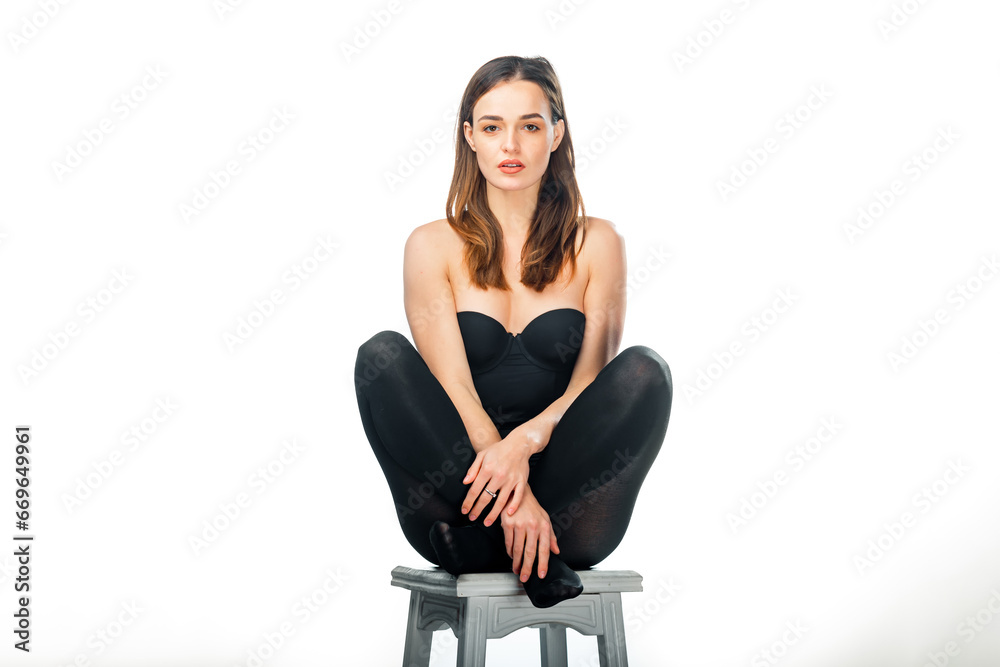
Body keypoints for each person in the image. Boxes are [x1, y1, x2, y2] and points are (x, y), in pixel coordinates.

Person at [354, 55, 672, 609]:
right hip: (457, 496)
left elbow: (588, 386)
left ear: (557, 135)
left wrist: (524, 447)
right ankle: (512, 535)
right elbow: (451, 385)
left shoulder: (599, 242)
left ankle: (490, 548)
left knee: (646, 370)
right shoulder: (431, 245)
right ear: (469, 137)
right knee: (380, 355)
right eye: (493, 127)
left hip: (569, 508)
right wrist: (512, 495)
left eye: (530, 126)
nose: (512, 146)